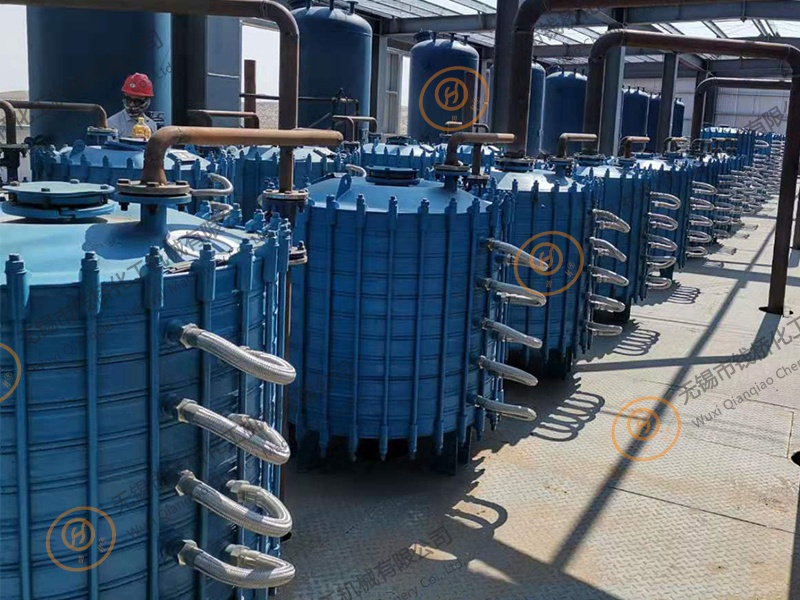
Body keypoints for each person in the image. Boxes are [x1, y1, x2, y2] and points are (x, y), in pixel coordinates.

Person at [107, 73, 158, 139]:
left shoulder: (152, 125)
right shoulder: (112, 124)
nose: (131, 104)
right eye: (128, 100)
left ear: (147, 101)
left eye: (137, 101)